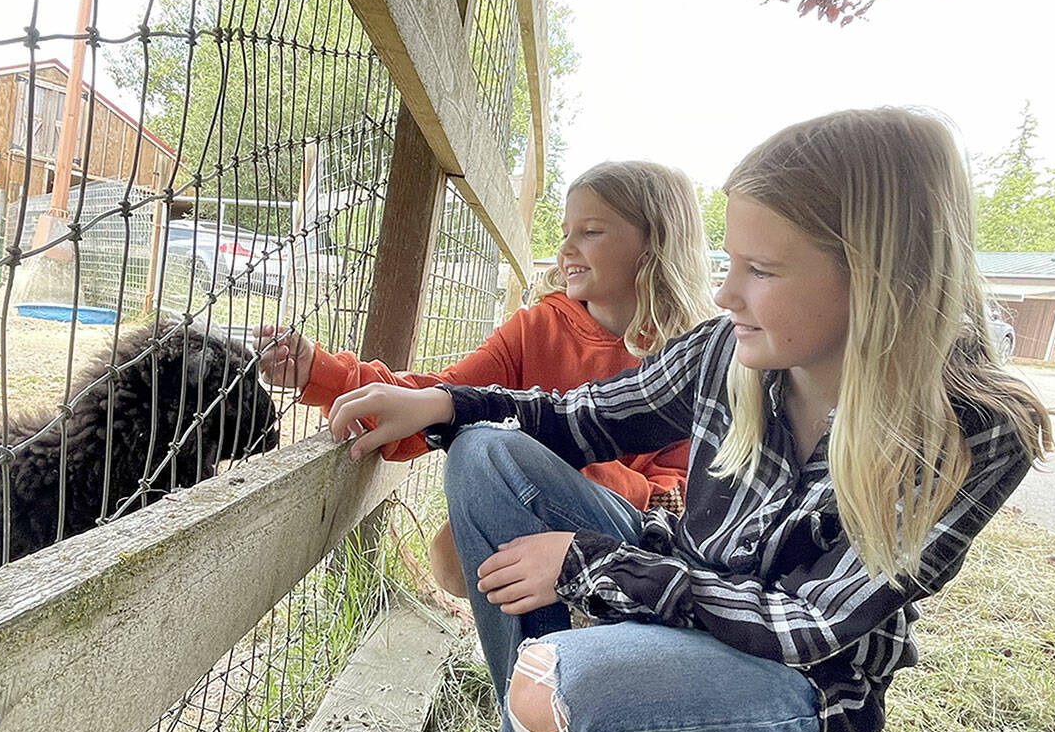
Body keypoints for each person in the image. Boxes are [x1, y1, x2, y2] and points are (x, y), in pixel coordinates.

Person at [323, 108, 1054, 732]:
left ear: (879, 274)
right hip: (688, 592)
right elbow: (580, 419)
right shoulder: (725, 350)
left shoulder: (972, 426)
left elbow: (815, 624)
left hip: (799, 676)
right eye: (729, 263)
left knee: (560, 690)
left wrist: (588, 565)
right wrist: (442, 403)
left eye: (760, 271)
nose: (727, 294)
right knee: (485, 455)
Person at [258, 161, 717, 597]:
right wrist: (320, 372)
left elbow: (678, 497)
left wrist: (543, 457)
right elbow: (443, 395)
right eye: (565, 233)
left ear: (654, 242)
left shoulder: (695, 360)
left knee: (492, 456)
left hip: (631, 541)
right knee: (454, 553)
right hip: (533, 514)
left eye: (591, 231)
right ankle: (532, 663)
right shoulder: (536, 328)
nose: (566, 249)